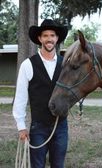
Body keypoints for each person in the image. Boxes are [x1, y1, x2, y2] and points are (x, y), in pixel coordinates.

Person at [12, 19, 68, 168]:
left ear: (57, 38)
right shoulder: (28, 64)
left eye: (52, 35)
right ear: (39, 38)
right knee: (37, 165)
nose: (49, 39)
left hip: (60, 125)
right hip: (39, 126)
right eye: (45, 35)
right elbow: (21, 97)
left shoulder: (65, 64)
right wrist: (21, 126)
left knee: (58, 165)